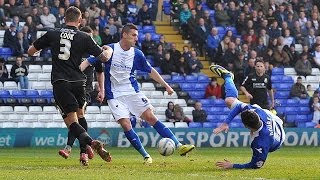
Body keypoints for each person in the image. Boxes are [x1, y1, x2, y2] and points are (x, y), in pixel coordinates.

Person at [80, 23, 195, 164]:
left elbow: (150, 70)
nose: (136, 38)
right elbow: (89, 61)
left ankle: (179, 145)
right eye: (134, 35)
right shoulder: (110, 49)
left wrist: (166, 86)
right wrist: (76, 72)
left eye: (137, 36)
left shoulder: (137, 54)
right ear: (124, 35)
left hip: (132, 91)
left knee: (151, 118)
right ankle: (146, 156)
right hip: (114, 95)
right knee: (126, 125)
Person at [27, 6, 112, 166]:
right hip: (79, 83)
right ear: (80, 21)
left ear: (64, 18)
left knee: (71, 122)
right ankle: (84, 151)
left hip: (61, 82)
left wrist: (39, 51)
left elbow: (31, 51)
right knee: (81, 115)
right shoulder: (84, 37)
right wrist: (109, 51)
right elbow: (103, 58)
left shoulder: (52, 33)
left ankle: (90, 142)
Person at [210, 64, 285, 169]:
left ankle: (228, 77)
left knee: (230, 101)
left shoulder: (259, 143)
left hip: (277, 140)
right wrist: (226, 123)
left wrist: (232, 165)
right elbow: (239, 107)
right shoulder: (255, 111)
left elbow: (256, 165)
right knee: (229, 101)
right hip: (269, 116)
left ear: (246, 126)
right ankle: (228, 76)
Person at [59, 26, 105, 161]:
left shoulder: (94, 53)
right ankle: (88, 144)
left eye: (89, 37)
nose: (86, 39)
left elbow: (100, 72)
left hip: (84, 90)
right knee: (71, 122)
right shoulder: (71, 51)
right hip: (67, 88)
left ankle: (74, 150)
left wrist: (101, 90)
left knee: (78, 117)